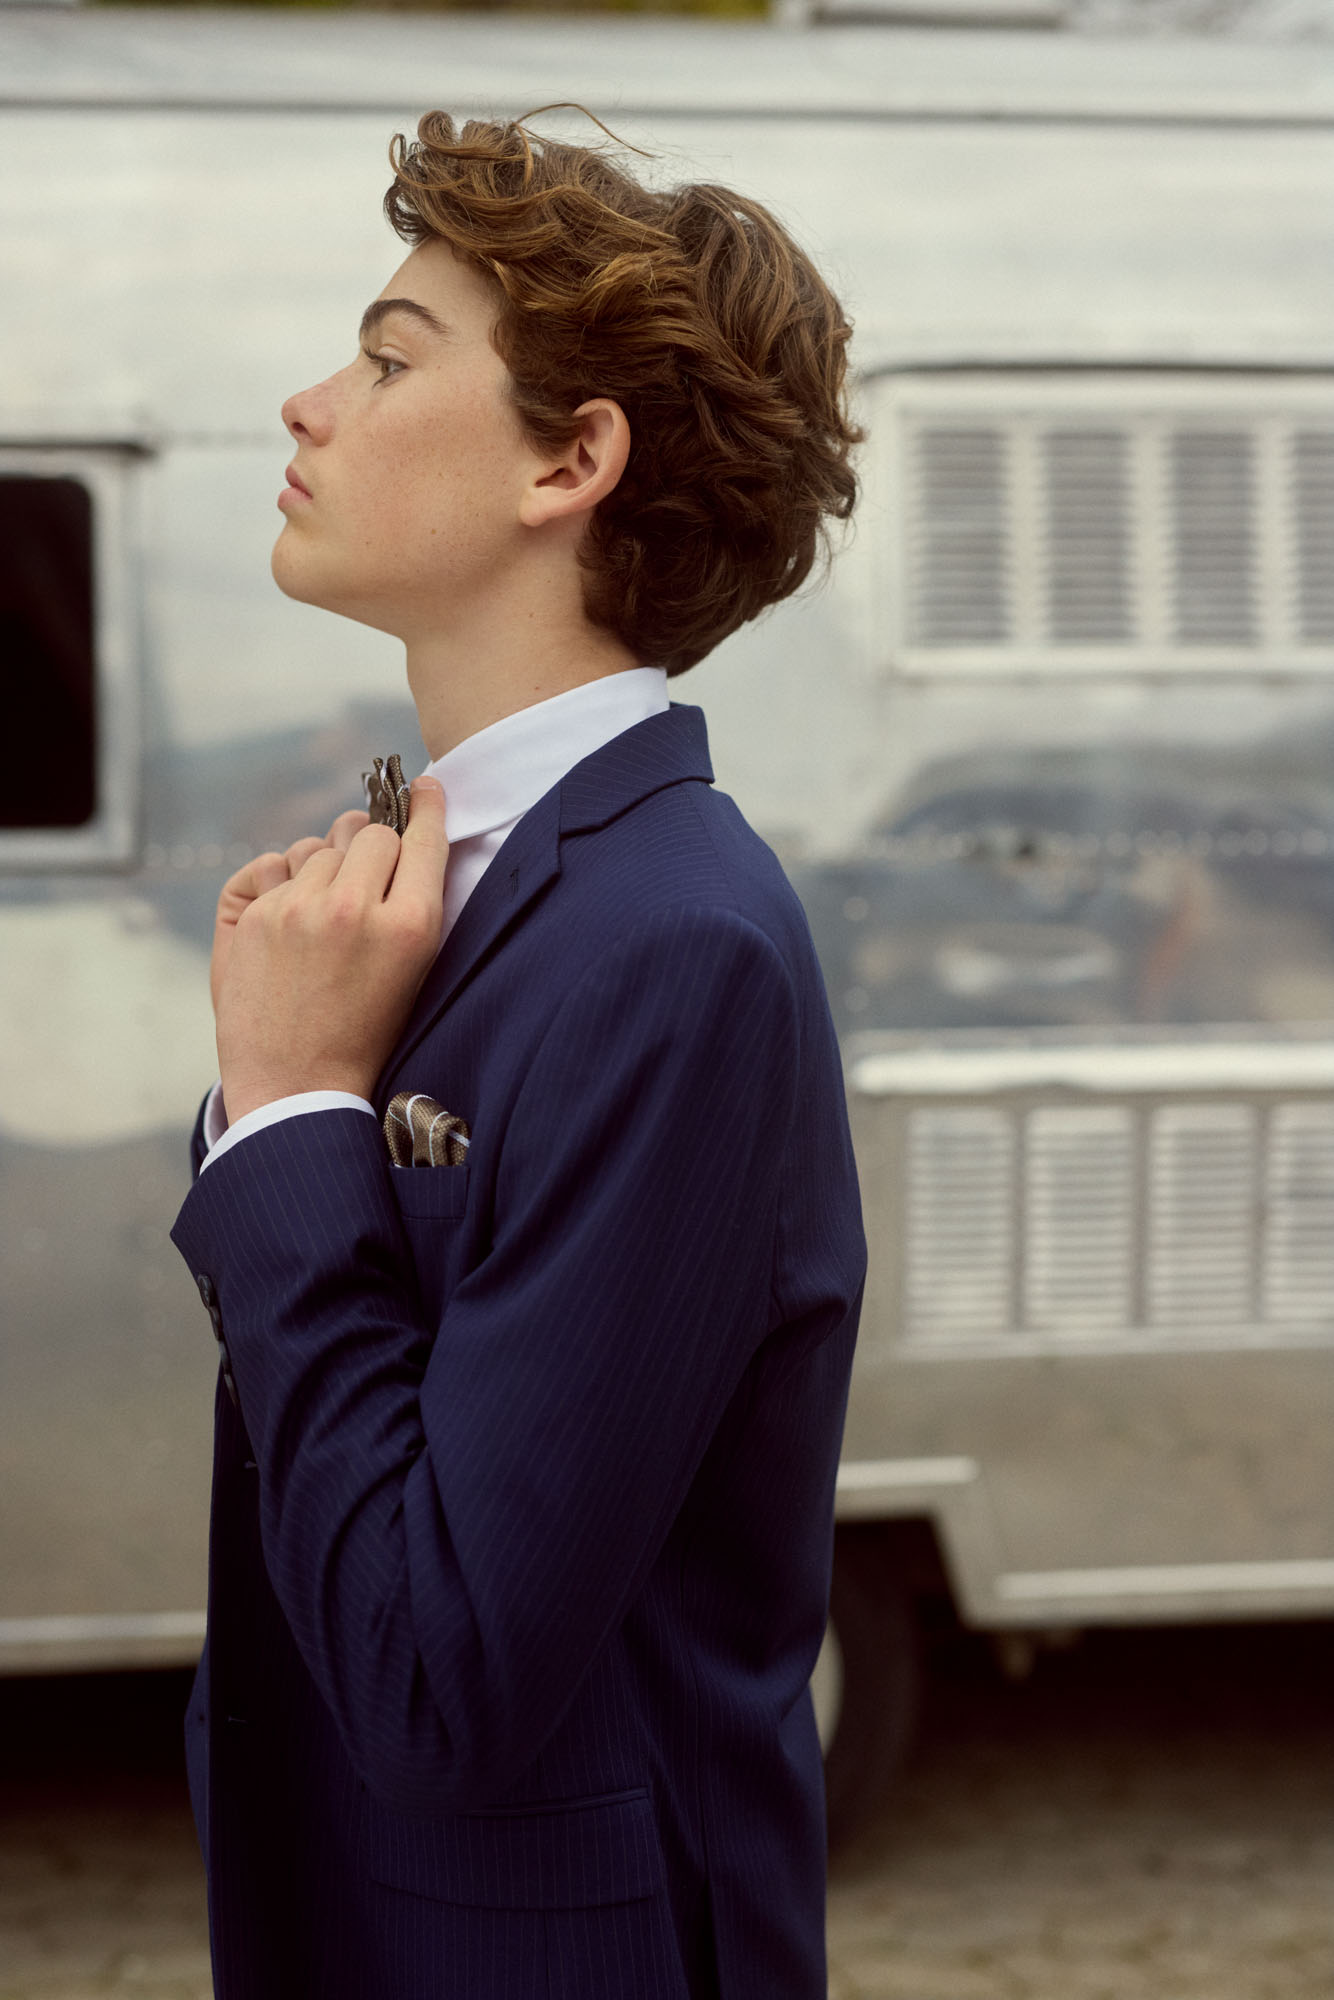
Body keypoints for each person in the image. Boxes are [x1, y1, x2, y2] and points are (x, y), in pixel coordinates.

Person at [170, 108, 866, 1999]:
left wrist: (295, 1110)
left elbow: (440, 1674)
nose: (311, 404)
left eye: (390, 358)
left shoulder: (675, 946)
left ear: (573, 458)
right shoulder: (456, 884)